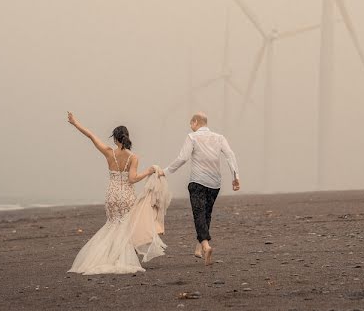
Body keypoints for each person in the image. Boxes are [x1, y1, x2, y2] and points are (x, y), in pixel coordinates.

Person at [66, 112, 170, 275]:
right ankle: (123, 258)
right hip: (126, 195)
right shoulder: (133, 157)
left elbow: (91, 135)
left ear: (115, 139)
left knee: (112, 225)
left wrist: (75, 122)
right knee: (126, 228)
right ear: (126, 137)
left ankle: (108, 257)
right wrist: (149, 171)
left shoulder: (109, 152)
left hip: (112, 195)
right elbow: (133, 179)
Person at [158, 112, 239, 265]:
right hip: (215, 183)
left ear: (195, 122)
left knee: (199, 214)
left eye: (191, 123)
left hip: (198, 181)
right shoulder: (219, 137)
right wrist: (236, 176)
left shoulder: (192, 137)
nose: (190, 126)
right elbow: (230, 155)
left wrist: (166, 171)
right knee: (206, 214)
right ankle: (199, 247)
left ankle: (206, 246)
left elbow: (183, 158)